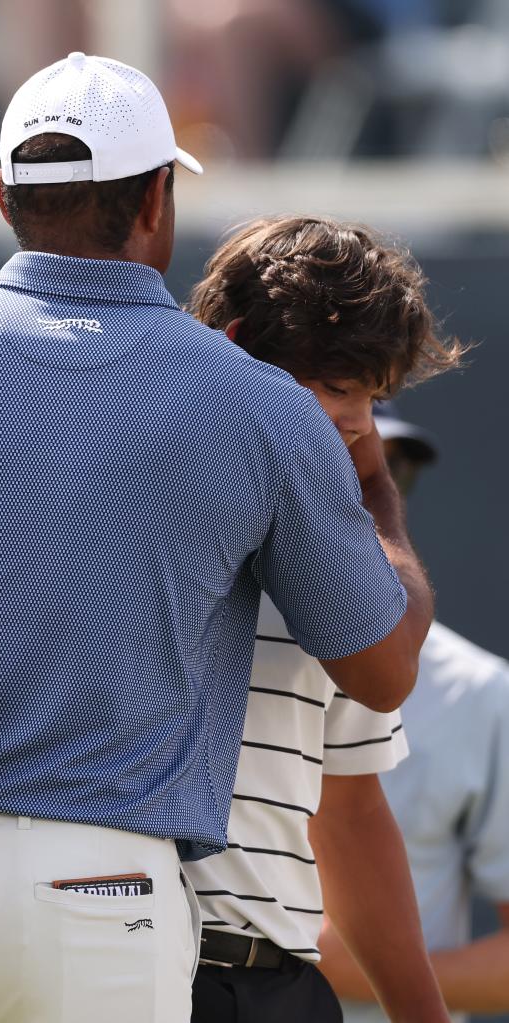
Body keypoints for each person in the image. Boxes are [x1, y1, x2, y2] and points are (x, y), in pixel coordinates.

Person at [0, 54, 433, 1023]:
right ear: (158, 200)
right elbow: (380, 673)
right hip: (103, 889)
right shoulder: (260, 410)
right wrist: (376, 494)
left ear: (3, 196)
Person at [181, 215, 465, 1023]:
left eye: (373, 397)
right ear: (239, 347)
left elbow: (349, 809)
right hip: (114, 960)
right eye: (340, 387)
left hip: (272, 986)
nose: (358, 424)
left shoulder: (334, 543)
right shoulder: (127, 480)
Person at [318, 406, 509, 1023]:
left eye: (382, 469)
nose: (357, 485)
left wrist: (360, 970)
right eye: (327, 454)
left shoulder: (479, 691)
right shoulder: (187, 641)